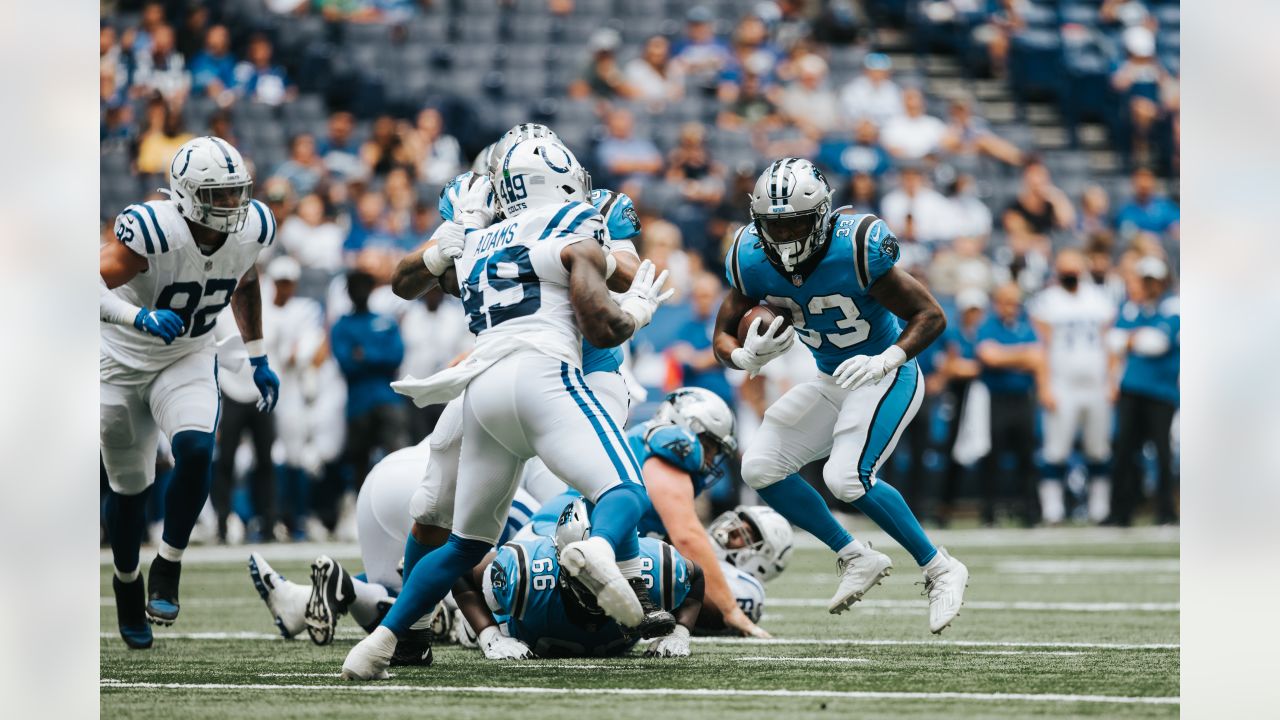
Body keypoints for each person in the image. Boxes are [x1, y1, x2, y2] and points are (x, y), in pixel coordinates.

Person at [341, 138, 675, 680]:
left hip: (521, 372)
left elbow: (618, 266)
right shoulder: (535, 216)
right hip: (544, 366)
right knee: (619, 487)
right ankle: (592, 558)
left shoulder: (483, 230)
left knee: (468, 539)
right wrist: (627, 303)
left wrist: (466, 241)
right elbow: (413, 281)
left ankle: (380, 642)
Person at [713, 158, 969, 634]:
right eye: (774, 225)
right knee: (760, 467)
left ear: (822, 215)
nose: (785, 236)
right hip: (833, 379)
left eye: (795, 223)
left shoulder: (856, 246)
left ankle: (940, 567)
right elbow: (722, 336)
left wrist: (888, 357)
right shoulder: (749, 255)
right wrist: (745, 359)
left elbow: (930, 315)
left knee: (847, 477)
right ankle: (855, 555)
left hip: (884, 372)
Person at [100, 137, 280, 648]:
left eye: (234, 193)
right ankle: (127, 582)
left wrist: (259, 356)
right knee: (129, 490)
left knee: (198, 449)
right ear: (184, 194)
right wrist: (136, 315)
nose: (230, 206)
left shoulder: (254, 226)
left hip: (187, 354)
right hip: (118, 362)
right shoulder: (154, 230)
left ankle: (170, 564)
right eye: (216, 195)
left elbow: (243, 280)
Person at [452, 499, 705, 659]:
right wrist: (490, 636)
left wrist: (679, 635)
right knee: (476, 620)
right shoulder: (527, 573)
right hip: (522, 629)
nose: (599, 587)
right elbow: (462, 573)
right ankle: (454, 616)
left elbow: (696, 578)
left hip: (558, 635)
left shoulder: (656, 567)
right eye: (587, 574)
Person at [1029, 249, 1118, 524]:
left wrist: (1112, 381)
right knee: (1056, 449)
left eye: (1074, 267)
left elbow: (1110, 344)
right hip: (1062, 383)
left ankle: (1099, 508)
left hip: (1095, 384)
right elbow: (1040, 347)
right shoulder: (1046, 301)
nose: (1070, 272)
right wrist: (1044, 384)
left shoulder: (1100, 299)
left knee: (1099, 448)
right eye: (1065, 267)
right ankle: (1052, 509)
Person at [1106, 256, 1179, 525]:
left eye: (1152, 281)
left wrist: (1130, 340)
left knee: (1162, 452)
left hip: (1161, 392)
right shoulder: (1131, 309)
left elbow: (1156, 343)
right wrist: (1134, 339)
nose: (1147, 286)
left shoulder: (1172, 307)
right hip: (1132, 389)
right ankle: (1120, 511)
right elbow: (1113, 341)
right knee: (1124, 450)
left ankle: (1164, 511)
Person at [330, 269, 409, 493]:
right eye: (355, 287)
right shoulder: (341, 326)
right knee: (359, 464)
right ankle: (361, 514)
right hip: (358, 404)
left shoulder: (385, 321)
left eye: (365, 286)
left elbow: (396, 356)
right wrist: (377, 356)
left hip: (387, 399)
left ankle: (400, 504)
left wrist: (365, 355)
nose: (360, 292)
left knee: (397, 457)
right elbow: (346, 363)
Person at [974, 283, 1046, 526]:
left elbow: (1037, 358)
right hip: (996, 398)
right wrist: (1021, 356)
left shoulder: (1026, 326)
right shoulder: (988, 326)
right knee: (993, 455)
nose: (1011, 307)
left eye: (1015, 302)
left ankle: (1030, 512)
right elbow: (988, 356)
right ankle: (990, 512)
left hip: (1022, 398)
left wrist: (1006, 356)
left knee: (1026, 456)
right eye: (1007, 302)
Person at [934, 288, 988, 525]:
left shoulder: (983, 333)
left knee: (985, 448)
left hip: (981, 395)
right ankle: (945, 507)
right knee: (952, 449)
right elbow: (950, 366)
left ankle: (986, 507)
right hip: (957, 395)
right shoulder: (953, 333)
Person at [838, 53, 904, 128]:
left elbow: (898, 116)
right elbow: (848, 116)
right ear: (866, 71)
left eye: (881, 71)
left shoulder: (894, 90)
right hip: (858, 133)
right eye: (874, 71)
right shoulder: (852, 90)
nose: (878, 74)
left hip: (887, 133)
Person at [881, 88, 949, 160]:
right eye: (910, 99)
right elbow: (893, 149)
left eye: (916, 99)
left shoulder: (934, 124)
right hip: (903, 166)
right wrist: (919, 158)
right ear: (903, 102)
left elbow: (947, 143)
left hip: (930, 166)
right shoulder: (892, 123)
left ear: (923, 102)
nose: (914, 103)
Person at [1114, 167, 1179, 241]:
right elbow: (1128, 234)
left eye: (1147, 186)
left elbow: (1177, 229)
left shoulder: (1166, 207)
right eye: (1141, 187)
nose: (1144, 189)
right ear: (1134, 185)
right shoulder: (1126, 211)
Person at [625, 34, 685, 105]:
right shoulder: (635, 67)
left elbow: (678, 94)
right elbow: (634, 93)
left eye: (663, 47)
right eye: (656, 46)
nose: (659, 51)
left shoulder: (674, 67)